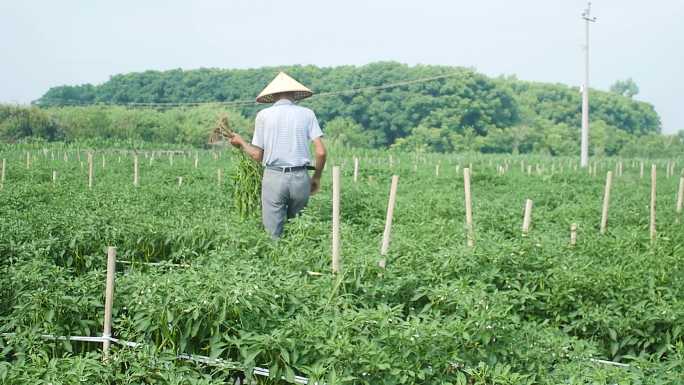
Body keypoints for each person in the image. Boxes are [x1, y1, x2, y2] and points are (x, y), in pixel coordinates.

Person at [229, 72, 327, 238]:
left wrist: (241, 143)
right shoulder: (307, 114)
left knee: (273, 235)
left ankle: (274, 258)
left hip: (273, 177)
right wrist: (316, 178)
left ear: (273, 95)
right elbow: (321, 151)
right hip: (300, 178)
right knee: (298, 230)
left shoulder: (263, 116)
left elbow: (257, 155)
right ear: (295, 94)